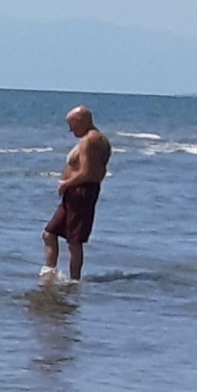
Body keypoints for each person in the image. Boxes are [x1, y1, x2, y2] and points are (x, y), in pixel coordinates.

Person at [43, 105, 114, 281]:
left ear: (81, 121)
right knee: (49, 233)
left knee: (74, 241)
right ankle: (50, 273)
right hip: (78, 192)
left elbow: (88, 172)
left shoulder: (89, 141)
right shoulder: (100, 139)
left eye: (71, 124)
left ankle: (74, 280)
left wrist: (67, 183)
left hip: (81, 192)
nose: (70, 129)